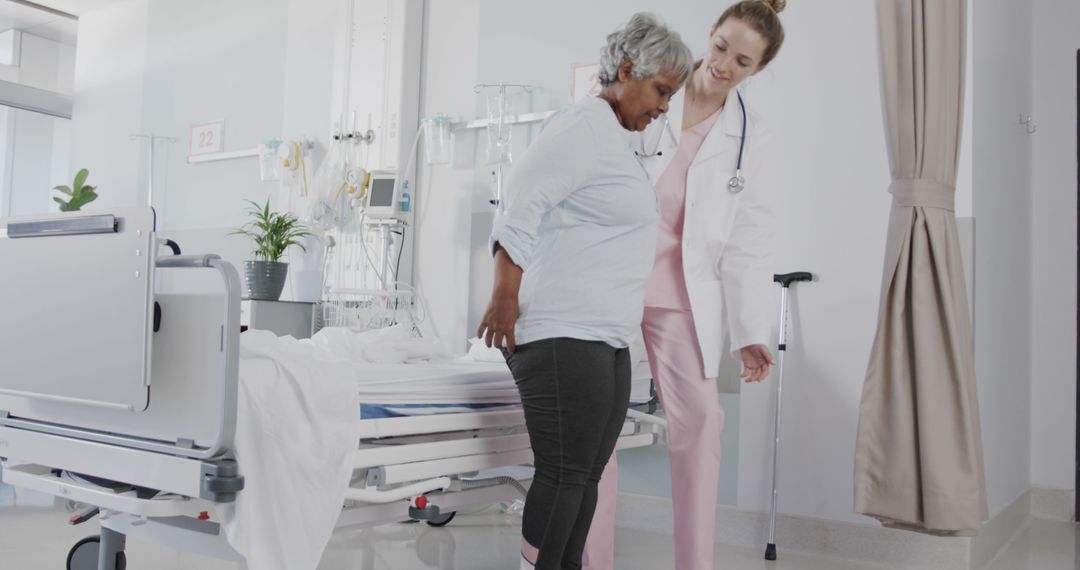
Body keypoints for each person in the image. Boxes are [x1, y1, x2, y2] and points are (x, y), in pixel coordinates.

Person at [475, 13, 693, 570]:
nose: (665, 106)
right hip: (560, 331)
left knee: (587, 475)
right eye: (661, 90)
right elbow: (519, 205)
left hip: (604, 336)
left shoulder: (616, 143)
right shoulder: (580, 129)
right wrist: (504, 297)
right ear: (626, 70)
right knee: (565, 473)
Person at [583, 2, 787, 569]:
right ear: (711, 34)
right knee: (598, 426)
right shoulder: (654, 85)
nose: (723, 64)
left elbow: (750, 237)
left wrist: (751, 330)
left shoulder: (752, 135)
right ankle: (591, 561)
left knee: (701, 424)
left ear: (758, 69)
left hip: (681, 294)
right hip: (613, 279)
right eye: (721, 46)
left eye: (742, 60)